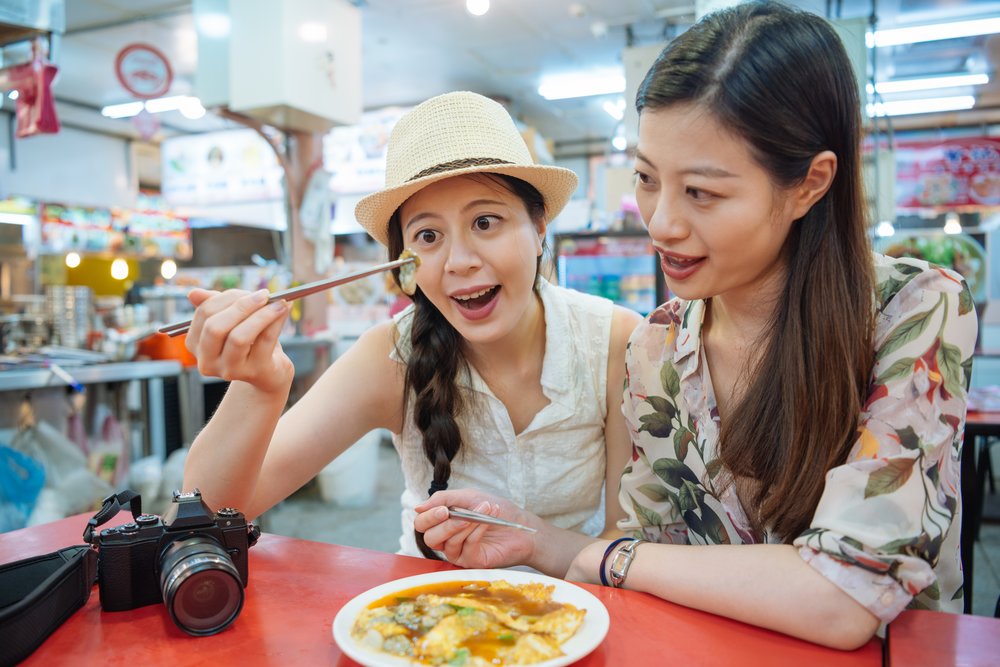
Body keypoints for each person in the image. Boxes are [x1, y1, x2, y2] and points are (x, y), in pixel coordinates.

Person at [413, 1, 978, 648]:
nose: (661, 223)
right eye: (648, 180)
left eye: (702, 193)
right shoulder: (657, 343)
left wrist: (614, 560)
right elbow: (655, 551)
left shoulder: (916, 309)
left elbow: (846, 595)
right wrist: (542, 540)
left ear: (809, 184)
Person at [181, 91, 642, 558]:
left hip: (577, 617)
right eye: (428, 236)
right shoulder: (390, 357)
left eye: (485, 222)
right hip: (426, 620)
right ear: (405, 260)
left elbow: (626, 541)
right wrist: (260, 385)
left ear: (540, 226)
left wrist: (536, 544)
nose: (459, 262)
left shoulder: (614, 341)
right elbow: (212, 511)